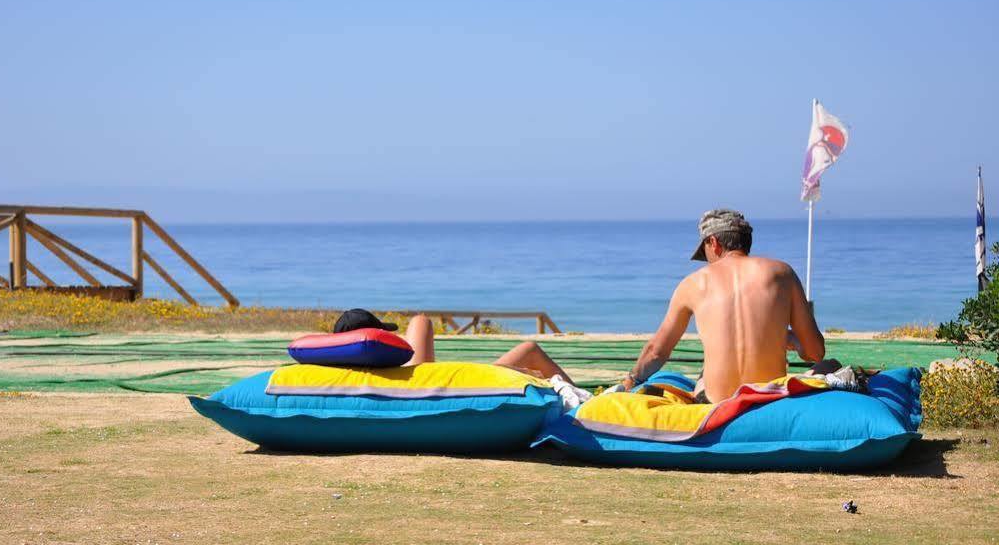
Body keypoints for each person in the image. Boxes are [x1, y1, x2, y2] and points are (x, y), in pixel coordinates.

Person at [614, 209, 826, 403]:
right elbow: (816, 353)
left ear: (713, 243)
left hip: (718, 403)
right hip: (770, 398)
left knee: (704, 374)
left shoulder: (693, 284)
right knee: (830, 366)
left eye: (704, 251)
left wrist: (631, 380)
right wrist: (792, 339)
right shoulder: (782, 273)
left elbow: (656, 352)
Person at [332, 308, 592, 407]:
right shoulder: (379, 355)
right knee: (530, 351)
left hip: (415, 382)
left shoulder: (337, 366)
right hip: (432, 386)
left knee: (528, 355)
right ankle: (589, 406)